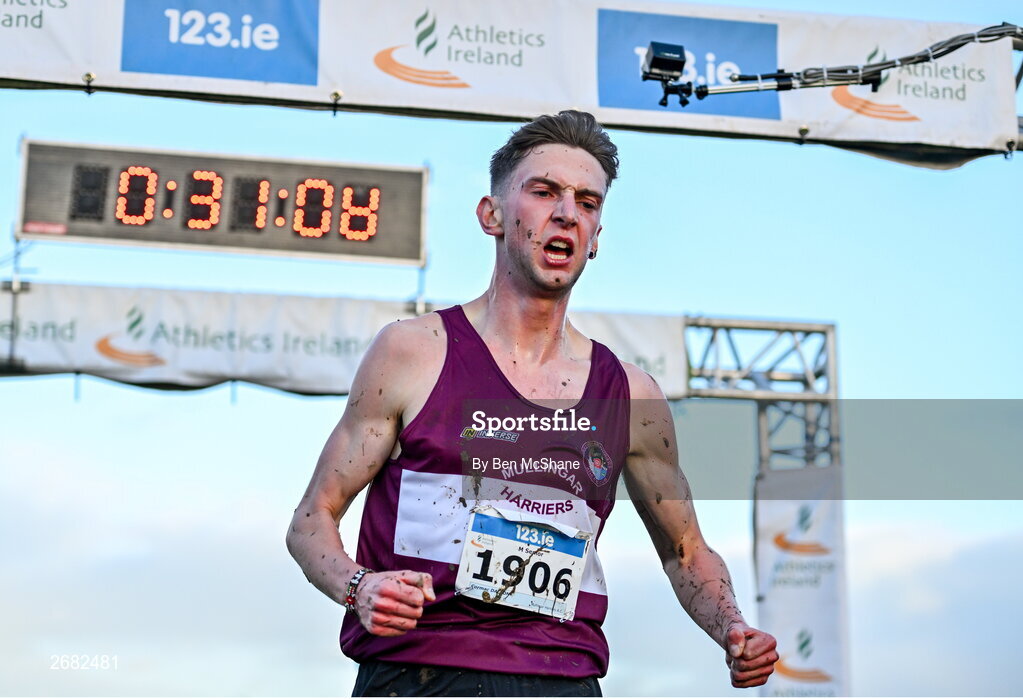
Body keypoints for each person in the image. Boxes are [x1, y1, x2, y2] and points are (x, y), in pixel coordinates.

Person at [286, 110, 777, 696]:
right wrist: (358, 586)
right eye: (544, 192)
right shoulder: (411, 352)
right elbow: (311, 521)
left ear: (595, 238)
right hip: (419, 675)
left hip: (563, 680)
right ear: (491, 215)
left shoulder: (632, 396)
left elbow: (687, 551)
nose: (567, 212)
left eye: (587, 202)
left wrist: (733, 627)